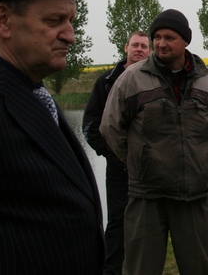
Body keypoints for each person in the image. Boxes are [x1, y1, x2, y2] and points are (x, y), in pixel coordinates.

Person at [0, 0, 104, 273]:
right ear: (4, 20)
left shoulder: (32, 91)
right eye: (54, 21)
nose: (71, 36)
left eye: (71, 21)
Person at [100, 9, 208, 275]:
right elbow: (110, 127)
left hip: (193, 193)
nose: (161, 44)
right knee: (141, 269)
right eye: (157, 37)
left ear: (185, 41)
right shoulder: (132, 78)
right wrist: (140, 160)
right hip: (147, 194)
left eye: (169, 37)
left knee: (199, 269)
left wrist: (195, 156)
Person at [82, 30, 151, 275]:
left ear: (150, 51)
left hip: (150, 166)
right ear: (126, 48)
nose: (139, 49)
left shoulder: (156, 80)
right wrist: (111, 153)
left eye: (144, 46)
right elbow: (90, 125)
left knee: (148, 220)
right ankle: (111, 270)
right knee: (117, 221)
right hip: (118, 166)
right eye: (135, 45)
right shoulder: (107, 81)